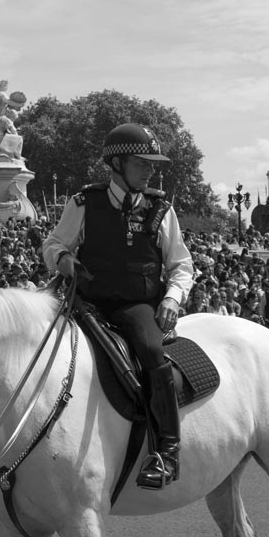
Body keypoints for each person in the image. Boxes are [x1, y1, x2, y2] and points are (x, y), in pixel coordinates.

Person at [43, 123, 193, 490]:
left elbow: (181, 265)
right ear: (117, 163)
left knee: (153, 354)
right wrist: (62, 257)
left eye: (152, 164)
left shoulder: (162, 209)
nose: (151, 170)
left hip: (135, 307)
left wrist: (172, 298)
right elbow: (53, 242)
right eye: (143, 162)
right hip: (86, 304)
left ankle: (166, 452)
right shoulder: (83, 202)